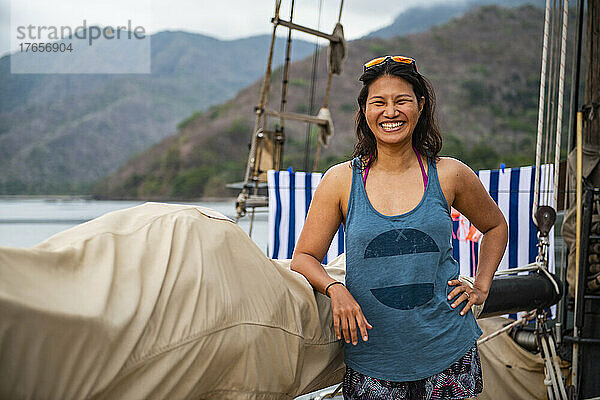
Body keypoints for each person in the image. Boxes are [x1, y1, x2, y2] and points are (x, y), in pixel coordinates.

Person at [290, 55, 508, 400]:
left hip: (447, 354)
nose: (390, 112)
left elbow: (496, 226)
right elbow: (303, 257)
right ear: (364, 111)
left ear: (420, 107)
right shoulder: (341, 181)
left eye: (401, 100)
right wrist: (336, 290)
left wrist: (481, 287)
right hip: (372, 357)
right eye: (379, 102)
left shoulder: (449, 174)